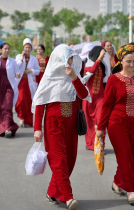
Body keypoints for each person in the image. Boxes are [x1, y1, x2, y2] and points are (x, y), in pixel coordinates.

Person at [96, 44, 134, 205]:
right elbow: (107, 105)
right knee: (124, 155)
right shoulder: (113, 80)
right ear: (121, 61)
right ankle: (131, 190)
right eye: (128, 61)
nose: (131, 65)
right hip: (117, 123)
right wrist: (101, 127)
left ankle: (118, 181)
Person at [33, 44, 91, 210]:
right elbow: (39, 103)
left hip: (71, 125)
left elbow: (84, 95)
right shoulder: (49, 78)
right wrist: (38, 128)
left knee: (70, 160)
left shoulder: (75, 77)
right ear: (59, 59)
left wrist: (74, 77)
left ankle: (52, 192)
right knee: (58, 160)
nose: (70, 62)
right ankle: (68, 197)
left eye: (72, 59)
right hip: (54, 125)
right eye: (67, 59)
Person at [0, 43, 23, 137]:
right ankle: (1, 128)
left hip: (9, 87)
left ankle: (8, 129)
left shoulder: (13, 61)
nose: (7, 50)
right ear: (0, 50)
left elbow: (17, 72)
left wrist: (17, 74)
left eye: (8, 49)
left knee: (7, 107)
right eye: (5, 49)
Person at [83, 46, 107, 150]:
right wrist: (99, 58)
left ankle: (100, 145)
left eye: (104, 55)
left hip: (100, 97)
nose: (103, 57)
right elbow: (92, 69)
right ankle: (90, 143)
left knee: (100, 121)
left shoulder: (103, 65)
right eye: (102, 54)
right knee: (89, 122)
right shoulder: (86, 64)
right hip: (88, 98)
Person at [15, 38, 40, 127]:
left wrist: (31, 71)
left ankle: (28, 121)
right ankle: (22, 118)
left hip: (30, 83)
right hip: (21, 82)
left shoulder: (34, 59)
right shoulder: (18, 57)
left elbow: (38, 71)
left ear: (31, 49)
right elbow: (16, 66)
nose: (27, 49)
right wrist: (22, 58)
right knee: (21, 100)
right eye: (26, 47)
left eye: (29, 47)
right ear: (23, 48)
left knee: (29, 101)